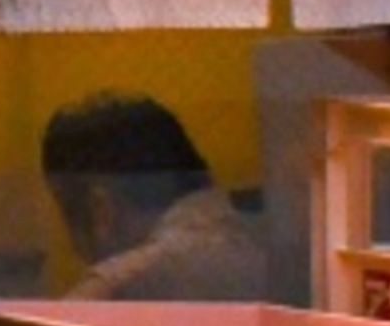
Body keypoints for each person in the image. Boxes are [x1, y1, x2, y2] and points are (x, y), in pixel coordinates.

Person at [40, 89, 283, 303]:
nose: (73, 246)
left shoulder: (119, 288)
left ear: (101, 209)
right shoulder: (281, 245)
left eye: (66, 214)